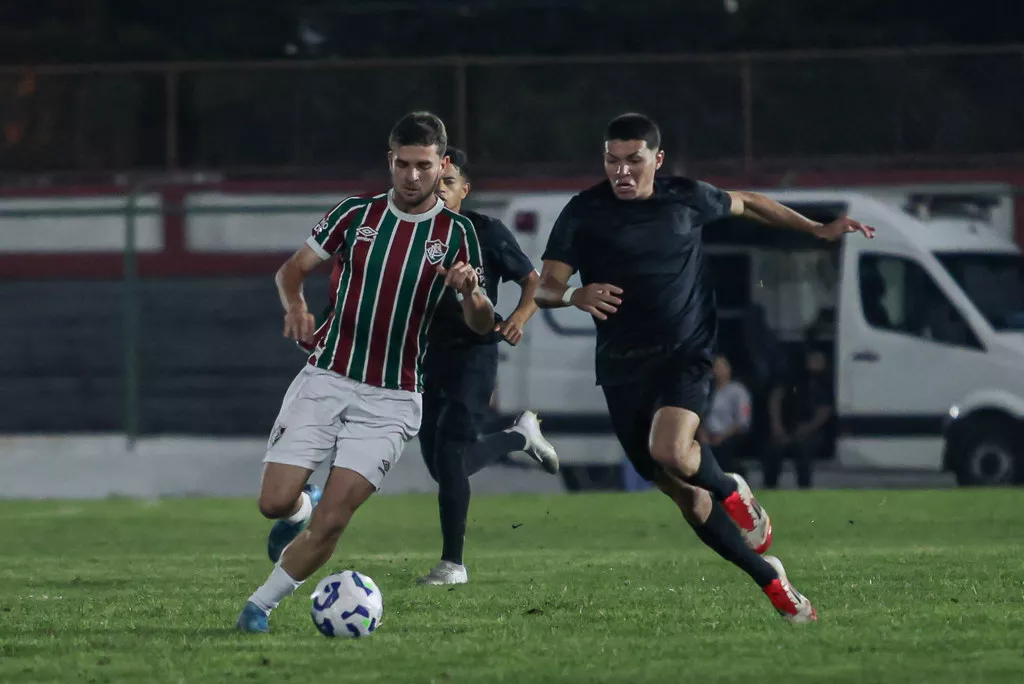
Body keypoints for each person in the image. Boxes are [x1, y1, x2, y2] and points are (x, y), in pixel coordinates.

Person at [535, 112, 875, 624]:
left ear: (657, 159)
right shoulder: (583, 211)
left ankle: (732, 487)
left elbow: (751, 203)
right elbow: (543, 288)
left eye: (634, 160)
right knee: (684, 495)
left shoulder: (685, 198)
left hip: (687, 353)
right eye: (612, 160)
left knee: (670, 449)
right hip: (622, 369)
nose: (621, 171)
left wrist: (815, 229)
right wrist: (574, 294)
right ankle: (770, 579)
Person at [236, 111, 495, 633]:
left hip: (393, 398)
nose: (413, 176)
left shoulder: (458, 232)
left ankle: (258, 608)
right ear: (390, 161)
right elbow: (291, 271)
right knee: (273, 502)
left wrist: (470, 292)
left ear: (442, 164)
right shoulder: (355, 215)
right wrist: (294, 304)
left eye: (424, 166)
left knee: (334, 521)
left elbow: (482, 322)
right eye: (403, 164)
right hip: (327, 376)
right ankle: (296, 509)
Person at [417, 146, 558, 586]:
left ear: (465, 189)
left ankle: (452, 564)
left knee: (451, 453)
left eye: (448, 182)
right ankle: (518, 435)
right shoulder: (409, 232)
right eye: (434, 180)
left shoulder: (485, 232)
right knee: (443, 466)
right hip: (424, 359)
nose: (439, 190)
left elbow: (533, 282)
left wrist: (517, 318)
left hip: (473, 353)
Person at [764, 347, 833, 489]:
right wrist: (777, 428)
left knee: (804, 450)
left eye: (818, 360)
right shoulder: (794, 378)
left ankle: (804, 489)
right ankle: (769, 488)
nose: (814, 362)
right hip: (787, 427)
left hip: (812, 431)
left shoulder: (825, 383)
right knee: (772, 450)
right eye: (812, 359)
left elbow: (824, 412)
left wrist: (806, 429)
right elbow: (776, 398)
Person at [697, 354, 752, 480]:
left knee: (723, 450)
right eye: (716, 366)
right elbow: (700, 415)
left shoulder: (738, 391)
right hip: (708, 435)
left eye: (722, 366)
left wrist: (722, 436)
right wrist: (703, 433)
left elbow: (743, 421)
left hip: (731, 434)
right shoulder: (708, 390)